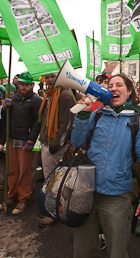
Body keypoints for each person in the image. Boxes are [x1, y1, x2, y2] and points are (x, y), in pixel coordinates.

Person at [71, 73, 140, 258]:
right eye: (110, 85)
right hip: (87, 191)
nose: (114, 88)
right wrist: (83, 115)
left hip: (116, 197)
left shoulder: (139, 123)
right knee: (83, 249)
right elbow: (77, 141)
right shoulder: (97, 115)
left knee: (117, 251)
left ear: (130, 91)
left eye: (119, 85)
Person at [0, 71, 42, 215]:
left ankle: (23, 199)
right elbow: (5, 121)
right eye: (21, 84)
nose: (23, 87)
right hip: (12, 141)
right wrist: (4, 108)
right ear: (18, 84)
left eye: (26, 85)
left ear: (31, 85)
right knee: (13, 171)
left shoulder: (36, 101)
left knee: (25, 173)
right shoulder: (12, 99)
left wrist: (31, 140)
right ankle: (11, 196)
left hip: (26, 142)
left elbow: (37, 123)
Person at [37, 72, 77, 227]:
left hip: (54, 144)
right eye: (47, 77)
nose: (50, 80)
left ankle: (52, 212)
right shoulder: (50, 94)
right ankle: (54, 209)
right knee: (51, 178)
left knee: (51, 181)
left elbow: (67, 124)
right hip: (47, 141)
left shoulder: (65, 95)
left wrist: (56, 145)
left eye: (53, 77)